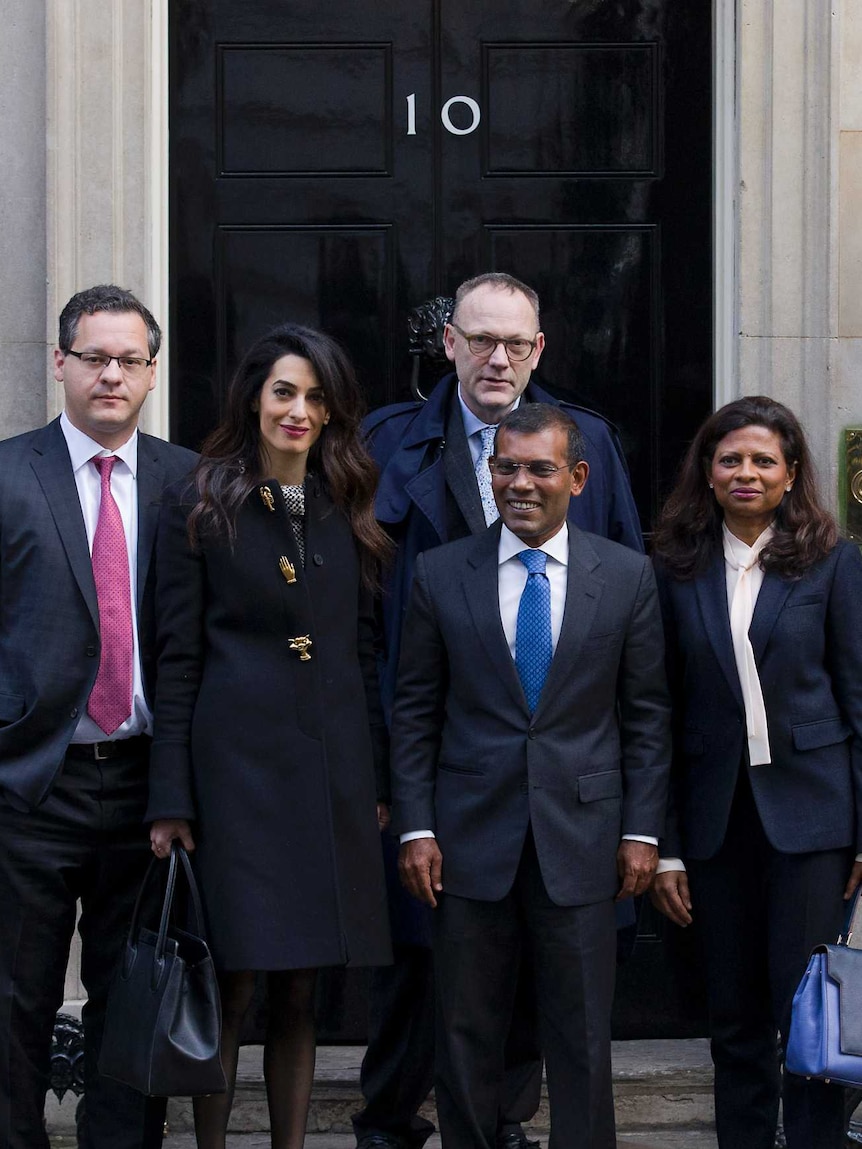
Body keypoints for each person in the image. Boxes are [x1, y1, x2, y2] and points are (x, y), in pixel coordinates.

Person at [354, 271, 644, 1149]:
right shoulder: (390, 441)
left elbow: (624, 599)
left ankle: (506, 1122)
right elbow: (363, 617)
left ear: (540, 350)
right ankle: (393, 1119)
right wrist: (385, 776)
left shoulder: (587, 440)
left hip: (561, 779)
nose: (498, 357)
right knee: (426, 967)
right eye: (481, 339)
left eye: (516, 342)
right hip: (437, 759)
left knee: (540, 981)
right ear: (449, 343)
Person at [390, 403, 671, 1149]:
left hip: (584, 842)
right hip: (466, 846)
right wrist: (416, 825)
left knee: (580, 1038)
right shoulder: (440, 572)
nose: (520, 482)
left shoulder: (627, 576)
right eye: (506, 466)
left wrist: (642, 829)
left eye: (539, 468)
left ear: (576, 477)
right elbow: (414, 713)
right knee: (466, 1034)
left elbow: (646, 717)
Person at [146, 323, 392, 1149]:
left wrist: (378, 781)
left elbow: (362, 650)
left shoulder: (346, 503)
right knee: (234, 982)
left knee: (300, 990)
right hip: (235, 780)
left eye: (316, 397)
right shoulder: (202, 500)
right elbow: (177, 660)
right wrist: (171, 797)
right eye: (284, 391)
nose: (298, 409)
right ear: (255, 396)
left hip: (328, 778)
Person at [0, 284, 197, 1149]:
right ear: (60, 364)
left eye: (129, 360)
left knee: (134, 999)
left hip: (148, 787)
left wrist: (183, 789)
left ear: (152, 373)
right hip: (32, 785)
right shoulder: (9, 474)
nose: (110, 374)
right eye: (93, 357)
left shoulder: (189, 481)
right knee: (14, 995)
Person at [649, 396, 862, 1149]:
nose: (746, 472)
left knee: (807, 1015)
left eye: (763, 460)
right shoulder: (672, 570)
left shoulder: (834, 564)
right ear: (706, 472)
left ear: (791, 473)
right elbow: (658, 718)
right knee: (734, 1018)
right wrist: (665, 842)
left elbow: (859, 696)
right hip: (714, 826)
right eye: (730, 458)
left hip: (813, 822)